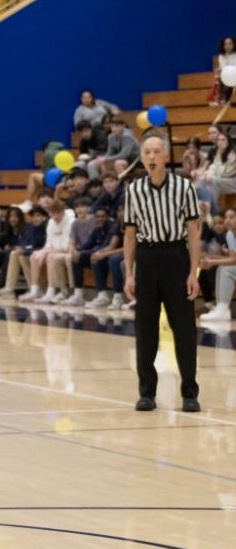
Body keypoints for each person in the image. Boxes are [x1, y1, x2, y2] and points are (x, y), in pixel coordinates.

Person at [123, 129, 201, 412]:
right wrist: (129, 273)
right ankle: (147, 393)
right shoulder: (133, 190)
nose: (152, 156)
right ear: (142, 158)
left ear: (167, 155)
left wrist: (193, 272)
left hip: (175, 256)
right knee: (145, 329)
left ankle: (189, 393)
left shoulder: (184, 188)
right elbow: (129, 235)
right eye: (146, 152)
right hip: (146, 259)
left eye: (156, 151)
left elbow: (193, 233)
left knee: (184, 329)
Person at [63, 201, 115, 307]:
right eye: (97, 217)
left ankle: (103, 296)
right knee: (76, 259)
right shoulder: (97, 229)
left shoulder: (112, 227)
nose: (100, 219)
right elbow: (87, 245)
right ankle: (78, 295)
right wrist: (78, 252)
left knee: (95, 258)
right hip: (98, 253)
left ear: (108, 217)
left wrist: (83, 253)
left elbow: (106, 246)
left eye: (103, 216)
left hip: (109, 255)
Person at [21, 200, 71, 303]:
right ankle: (35, 290)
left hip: (66, 251)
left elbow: (66, 246)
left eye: (58, 213)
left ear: (63, 212)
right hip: (54, 250)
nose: (56, 216)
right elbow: (49, 242)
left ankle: (50, 291)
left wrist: (47, 252)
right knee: (34, 255)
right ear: (49, 213)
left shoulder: (70, 222)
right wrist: (43, 251)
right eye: (53, 213)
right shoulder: (51, 222)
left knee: (50, 256)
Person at [200, 207, 236, 324]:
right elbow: (232, 259)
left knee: (225, 270)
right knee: (223, 268)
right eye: (226, 218)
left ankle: (222, 309)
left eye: (231, 217)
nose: (227, 220)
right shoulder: (230, 235)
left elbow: (234, 260)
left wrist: (211, 262)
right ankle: (221, 308)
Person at [1, 206, 48, 297]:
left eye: (38, 216)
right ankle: (9, 289)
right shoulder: (29, 228)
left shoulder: (46, 228)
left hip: (43, 257)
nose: (35, 219)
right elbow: (24, 244)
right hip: (32, 255)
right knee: (15, 254)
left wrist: (25, 250)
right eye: (33, 216)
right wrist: (16, 248)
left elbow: (44, 248)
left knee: (22, 256)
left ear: (44, 217)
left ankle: (36, 289)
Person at [194, 127, 236, 210]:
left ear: (228, 142)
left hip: (232, 182)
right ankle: (196, 202)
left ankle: (213, 208)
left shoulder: (233, 154)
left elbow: (226, 173)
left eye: (223, 140)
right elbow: (213, 167)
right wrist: (208, 174)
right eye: (219, 140)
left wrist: (211, 175)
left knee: (213, 180)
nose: (220, 142)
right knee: (202, 178)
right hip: (222, 180)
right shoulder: (219, 152)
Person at [211, 36, 236, 107]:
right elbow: (224, 69)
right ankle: (220, 99)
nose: (228, 46)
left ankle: (226, 100)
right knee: (218, 78)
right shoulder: (221, 56)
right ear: (223, 46)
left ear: (234, 44)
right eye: (226, 44)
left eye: (230, 44)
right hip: (227, 77)